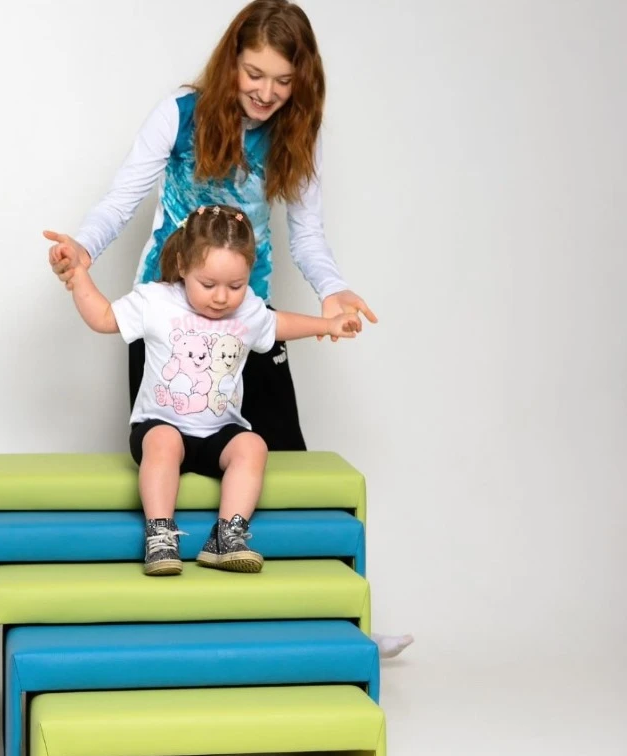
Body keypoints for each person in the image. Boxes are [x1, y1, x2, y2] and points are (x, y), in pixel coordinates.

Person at [45, 0, 413, 657]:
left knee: (287, 468)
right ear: (230, 63)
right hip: (171, 322)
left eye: (283, 80)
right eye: (254, 73)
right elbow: (124, 197)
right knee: (166, 467)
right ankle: (182, 638)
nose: (267, 93)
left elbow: (308, 236)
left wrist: (332, 292)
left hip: (246, 321)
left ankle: (340, 622)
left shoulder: (295, 133)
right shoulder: (181, 113)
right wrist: (83, 250)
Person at [59, 203, 360, 577]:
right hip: (160, 426)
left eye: (235, 286)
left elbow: (279, 324)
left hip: (218, 433)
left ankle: (227, 537)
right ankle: (160, 535)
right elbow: (104, 317)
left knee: (253, 445)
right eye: (208, 285)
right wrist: (79, 275)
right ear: (183, 265)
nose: (221, 297)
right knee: (165, 441)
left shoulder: (247, 311)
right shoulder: (156, 300)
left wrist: (328, 325)